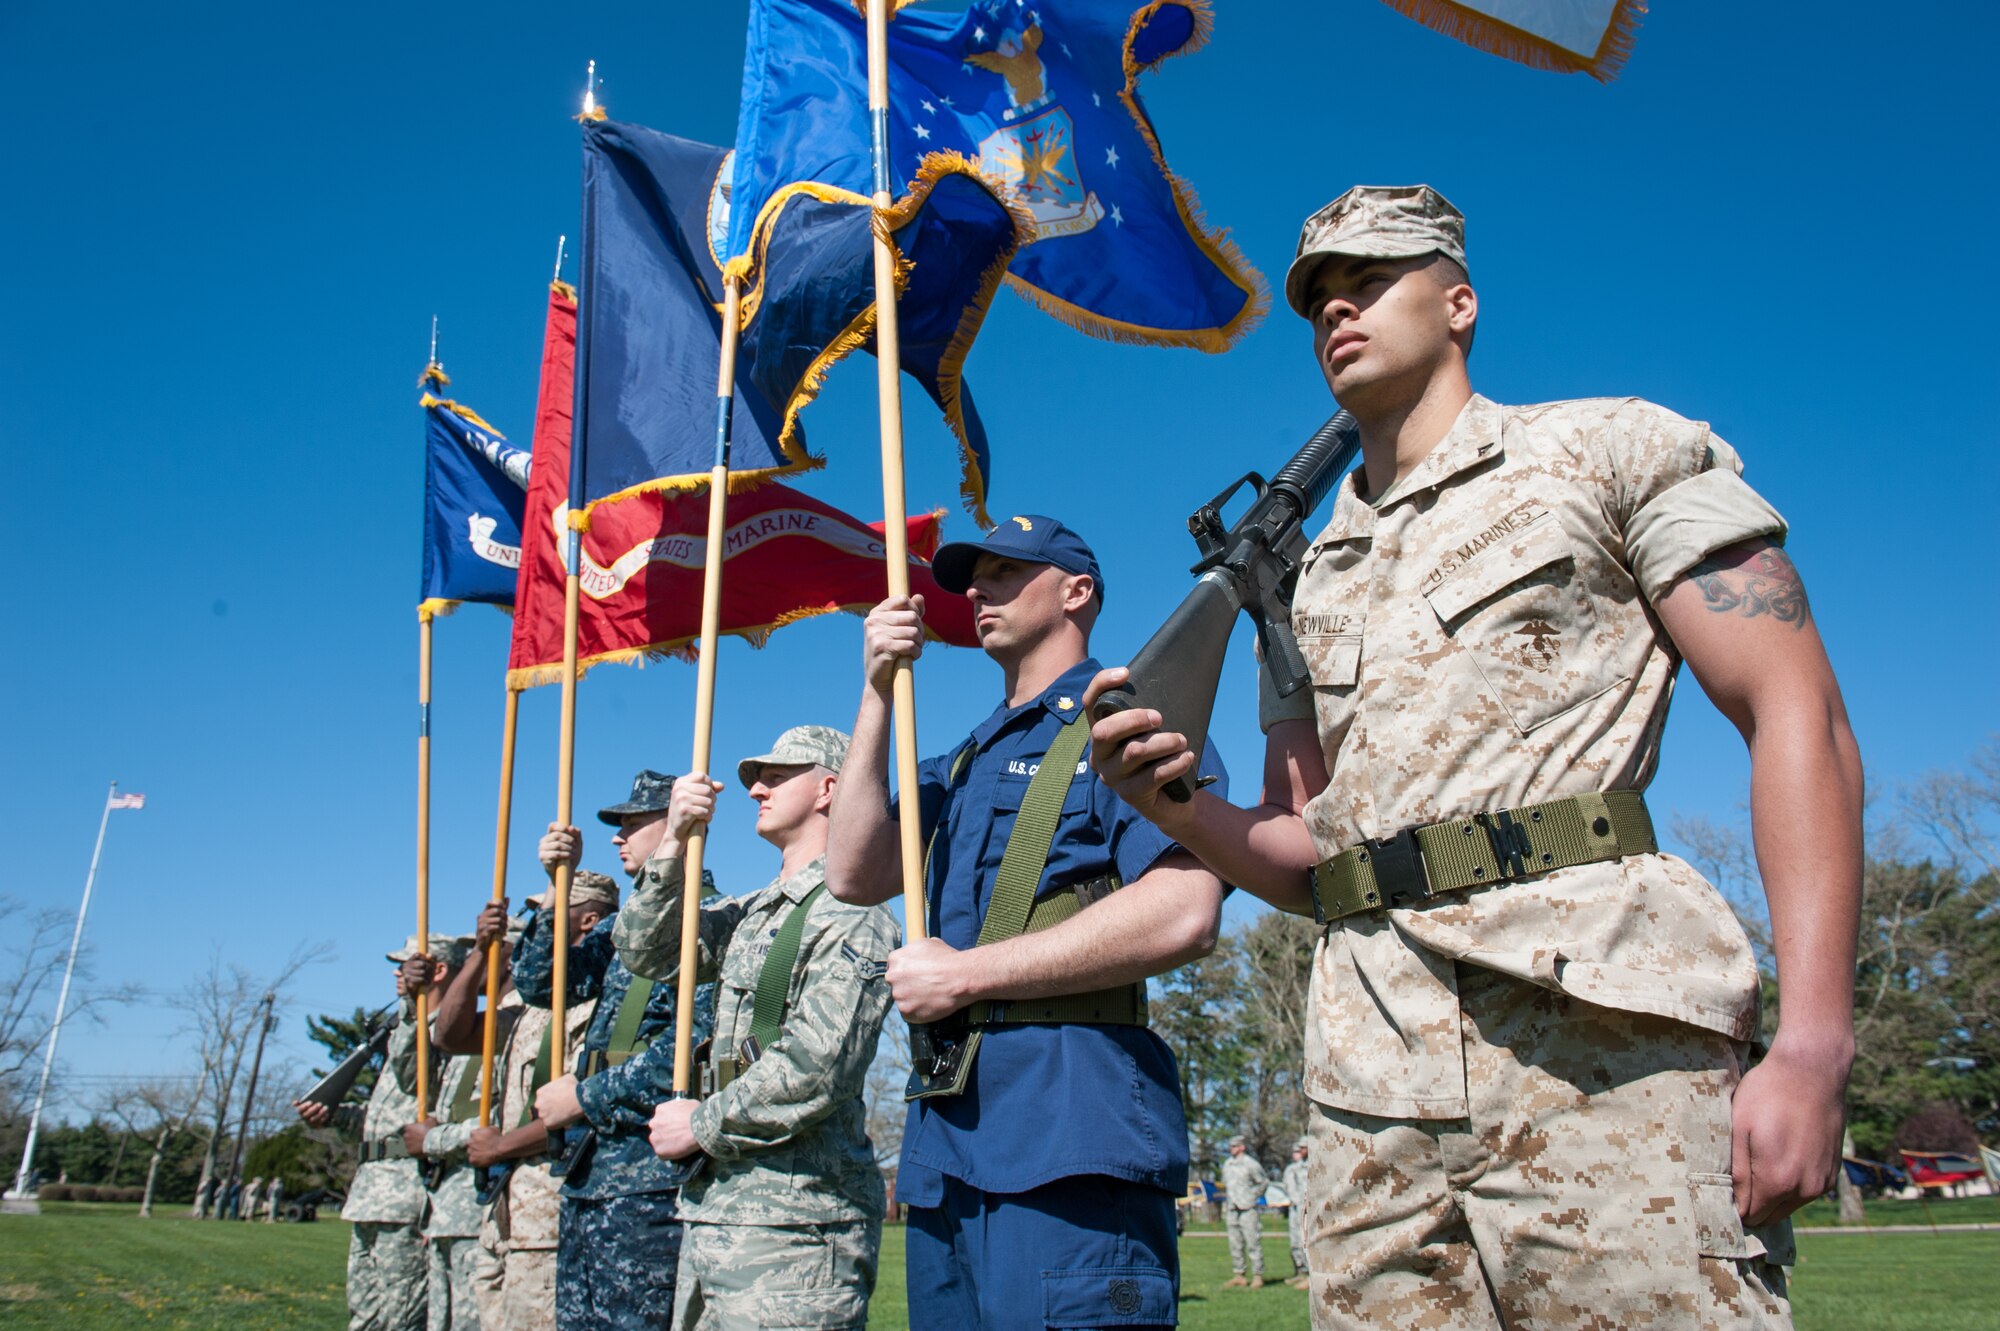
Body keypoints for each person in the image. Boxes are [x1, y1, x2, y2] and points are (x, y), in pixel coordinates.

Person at [1085, 184, 1861, 1330]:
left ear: (1458, 301)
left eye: (1369, 282)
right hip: (1365, 1085)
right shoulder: (1299, 574)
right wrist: (1179, 804)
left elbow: (1797, 717)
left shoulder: (1610, 448)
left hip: (1597, 1037)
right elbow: (1313, 856)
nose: (1335, 312)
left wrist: (1811, 1041)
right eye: (1317, 301)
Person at [827, 518, 1229, 1328]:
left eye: (1007, 571)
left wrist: (968, 973)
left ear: (1076, 590)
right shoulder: (963, 760)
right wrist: (876, 688)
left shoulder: (1125, 720)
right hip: (947, 1149)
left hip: (1067, 1132)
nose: (977, 590)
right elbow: (853, 871)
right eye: (974, 577)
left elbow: (1187, 908)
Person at [614, 726, 898, 1330]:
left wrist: (701, 1124)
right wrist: (674, 839)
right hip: (722, 1208)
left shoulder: (854, 910)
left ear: (829, 788)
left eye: (775, 775)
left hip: (797, 1225)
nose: (753, 791)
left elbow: (818, 1067)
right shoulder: (753, 910)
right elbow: (646, 950)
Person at [515, 772, 717, 1330]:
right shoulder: (620, 930)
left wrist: (583, 1097)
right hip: (589, 1175)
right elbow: (543, 984)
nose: (617, 836)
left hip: (649, 1184)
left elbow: (686, 1056)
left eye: (633, 822)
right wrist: (558, 888)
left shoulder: (706, 921)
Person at [296, 937, 453, 1331]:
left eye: (408, 965)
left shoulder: (447, 1033)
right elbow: (383, 1118)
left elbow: (421, 1084)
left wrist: (411, 1012)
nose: (398, 973)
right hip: (370, 1196)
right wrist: (334, 1114)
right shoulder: (404, 1030)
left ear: (438, 971)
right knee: (364, 1316)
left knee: (401, 1318)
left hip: (406, 1200)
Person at [466, 888, 604, 1331]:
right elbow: (449, 1036)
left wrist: (499, 1148)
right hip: (505, 1206)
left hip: (548, 1203)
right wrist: (478, 955)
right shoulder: (526, 1003)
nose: (539, 917)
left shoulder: (594, 995)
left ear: (587, 919)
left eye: (553, 907)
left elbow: (582, 1101)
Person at [395, 934, 488, 1331]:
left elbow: (501, 1120)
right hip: (445, 1207)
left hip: (477, 1205)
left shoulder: (503, 1027)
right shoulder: (463, 1029)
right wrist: (412, 1008)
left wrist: (434, 1139)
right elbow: (413, 1079)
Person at [1219, 1136, 1268, 1288]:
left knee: (1253, 1242)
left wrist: (1252, 1196)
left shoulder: (1250, 1164)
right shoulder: (1228, 1164)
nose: (1231, 1149)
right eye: (1230, 1146)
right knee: (1235, 1243)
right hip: (1232, 1208)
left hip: (1247, 1208)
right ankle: (1239, 1275)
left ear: (1242, 1147)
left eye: (1234, 1146)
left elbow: (1263, 1182)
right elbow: (1226, 1184)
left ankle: (1258, 1275)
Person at [1281, 1139, 1309, 1287]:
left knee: (1308, 1241)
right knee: (1295, 1242)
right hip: (1295, 1208)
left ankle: (1311, 1277)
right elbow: (1287, 1186)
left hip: (1309, 1210)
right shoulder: (1293, 1168)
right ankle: (1300, 1272)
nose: (1300, 1151)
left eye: (1302, 1148)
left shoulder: (1315, 1165)